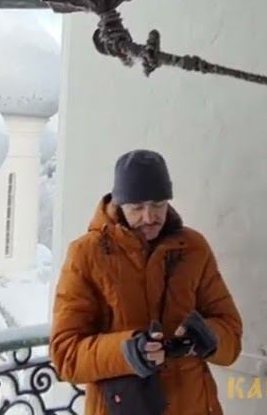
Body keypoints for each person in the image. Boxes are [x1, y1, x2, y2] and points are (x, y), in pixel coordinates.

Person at [50, 149, 242, 415]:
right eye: (137, 207)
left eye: (158, 204)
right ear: (118, 204)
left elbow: (231, 335)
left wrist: (207, 336)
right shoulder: (86, 255)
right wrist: (126, 352)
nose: (150, 217)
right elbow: (65, 356)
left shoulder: (194, 248)